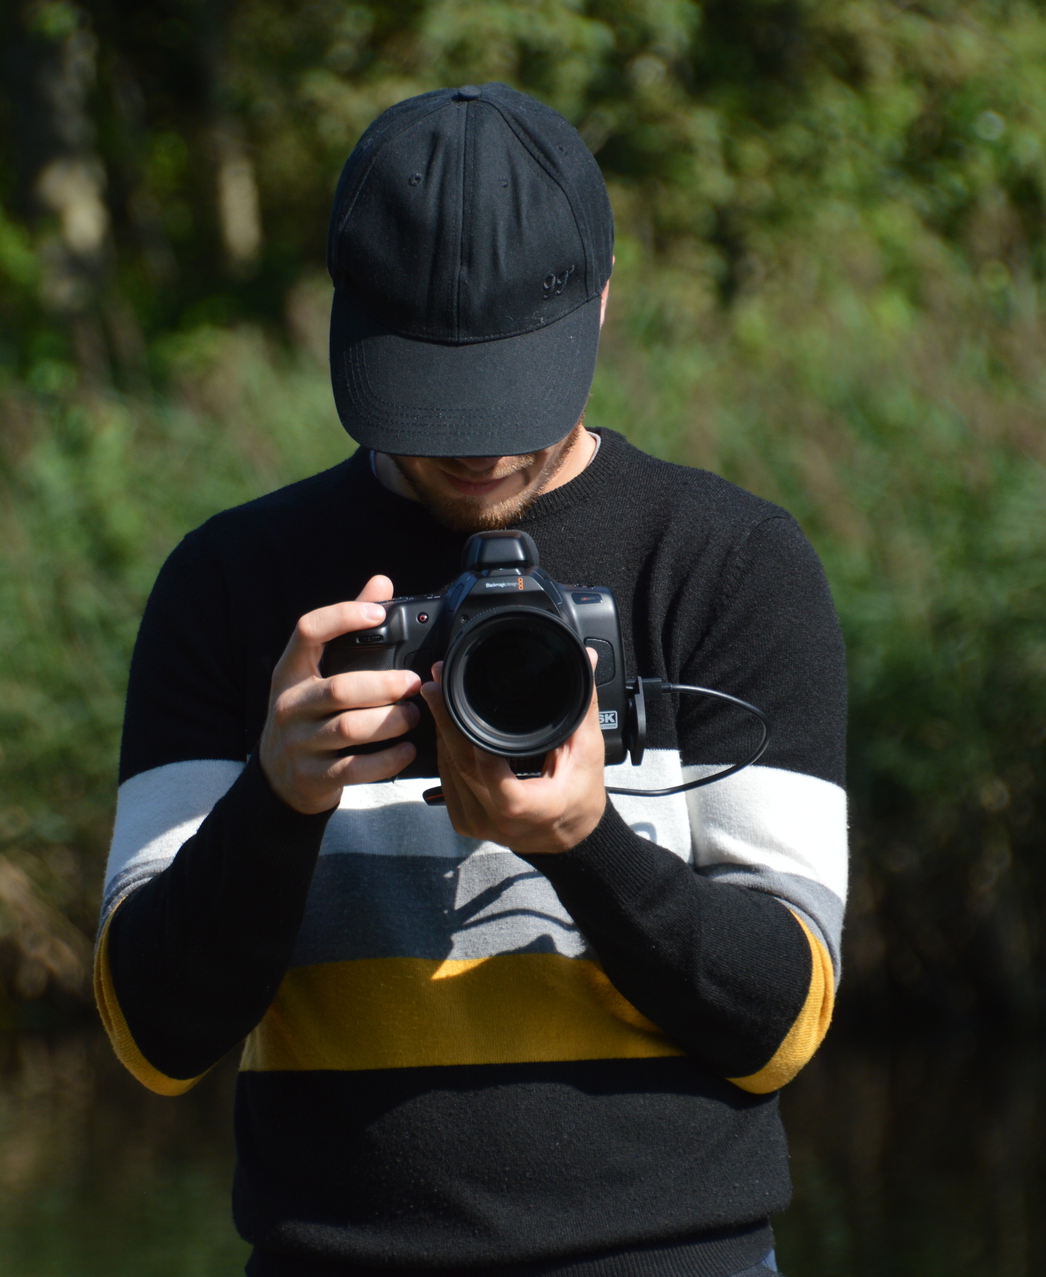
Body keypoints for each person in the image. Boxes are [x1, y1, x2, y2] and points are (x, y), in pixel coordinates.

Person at [94, 82, 847, 1277]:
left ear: (604, 300)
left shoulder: (728, 564)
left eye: (516, 392)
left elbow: (781, 1023)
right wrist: (277, 802)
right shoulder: (235, 583)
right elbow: (154, 1036)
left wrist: (586, 842)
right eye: (437, 400)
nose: (483, 446)